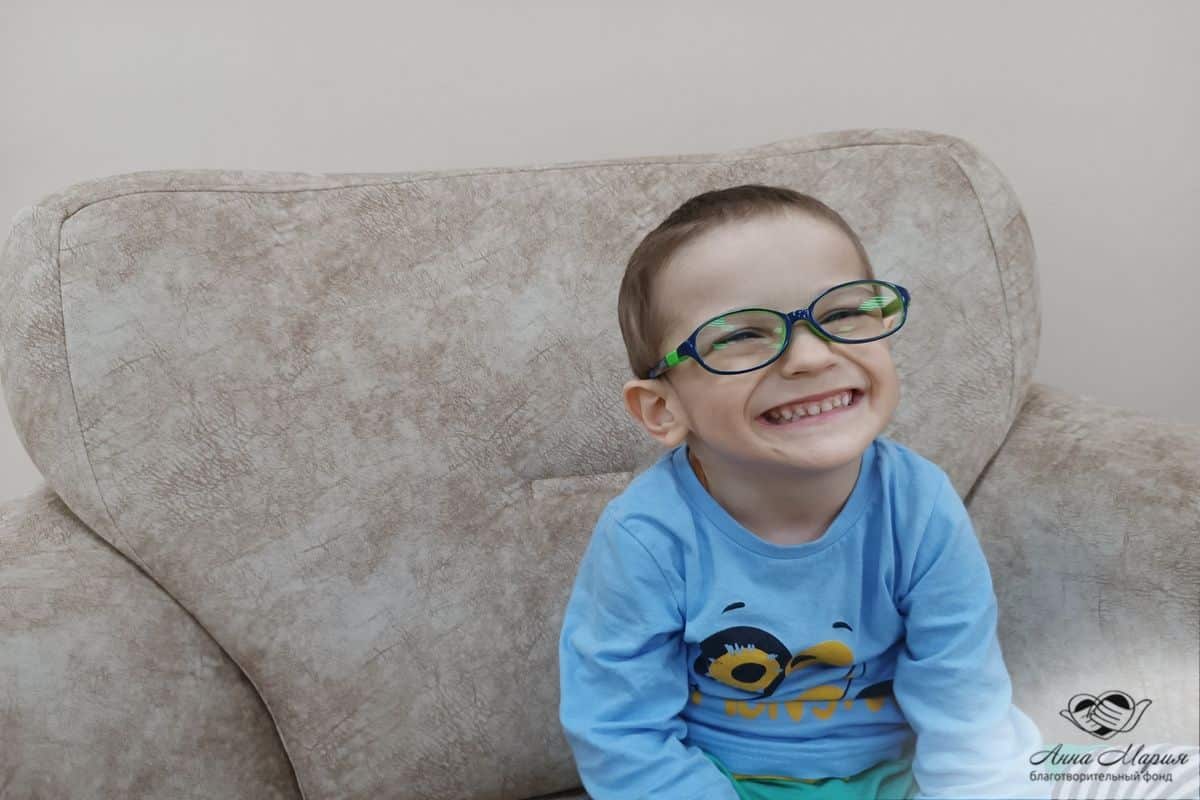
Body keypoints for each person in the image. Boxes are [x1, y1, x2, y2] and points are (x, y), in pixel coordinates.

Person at [557, 184, 1047, 799]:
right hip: (730, 783)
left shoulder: (918, 505)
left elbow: (964, 704)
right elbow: (620, 732)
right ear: (663, 409)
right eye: (739, 335)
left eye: (841, 314)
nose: (811, 357)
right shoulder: (647, 536)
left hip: (910, 772)